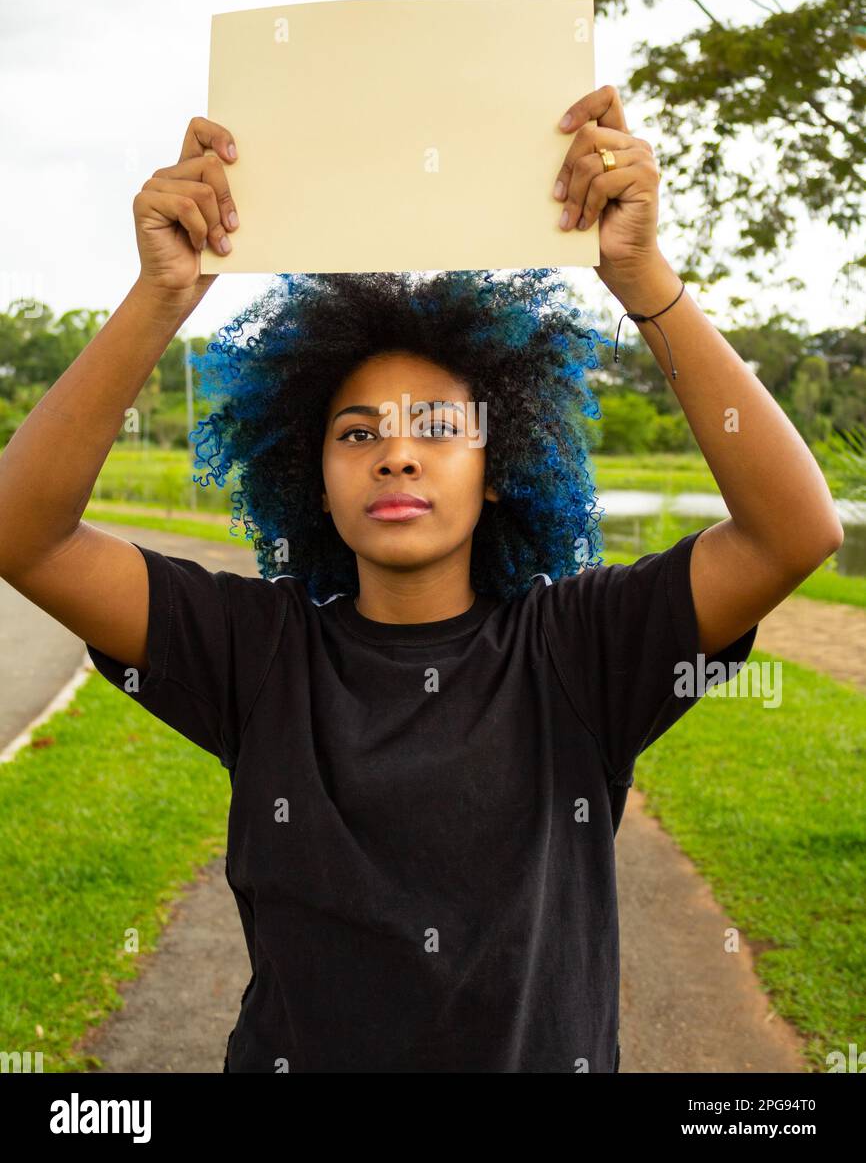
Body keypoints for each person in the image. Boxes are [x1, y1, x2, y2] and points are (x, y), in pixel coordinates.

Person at [0, 86, 843, 1073]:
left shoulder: (576, 650)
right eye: (357, 433)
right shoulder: (255, 652)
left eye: (439, 429)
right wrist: (161, 297)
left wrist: (639, 274)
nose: (396, 455)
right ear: (311, 475)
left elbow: (794, 531)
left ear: (498, 473)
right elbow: (27, 536)